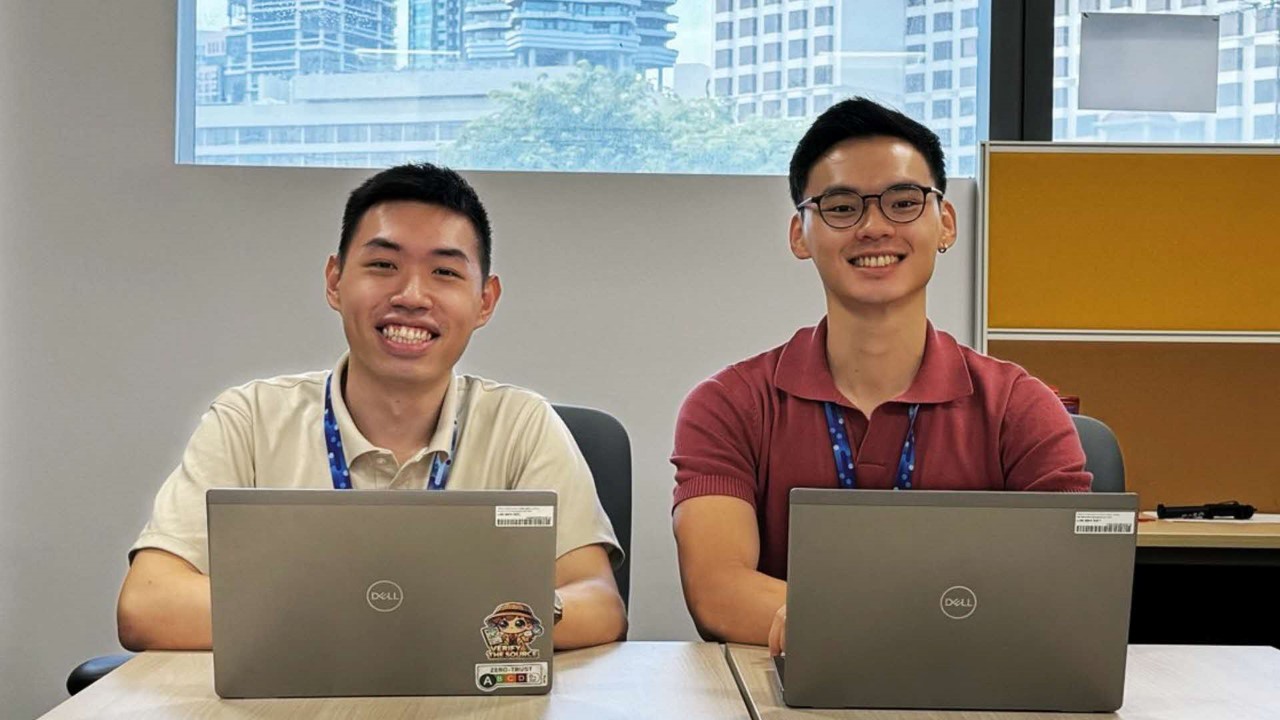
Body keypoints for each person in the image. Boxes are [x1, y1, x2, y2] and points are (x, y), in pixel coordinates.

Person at [118, 163, 626, 652]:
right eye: (383, 265)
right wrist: (394, 616)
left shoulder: (522, 425)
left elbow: (599, 605)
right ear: (335, 281)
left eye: (445, 272)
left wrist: (364, 617)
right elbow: (147, 605)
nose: (411, 295)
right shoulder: (250, 420)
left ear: (485, 301)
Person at [670, 98, 1091, 655]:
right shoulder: (729, 405)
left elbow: (1072, 591)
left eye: (902, 202)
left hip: (974, 692)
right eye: (842, 207)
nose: (873, 227)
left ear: (945, 223)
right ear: (800, 234)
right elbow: (717, 590)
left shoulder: (1019, 406)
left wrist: (852, 627)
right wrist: (891, 630)